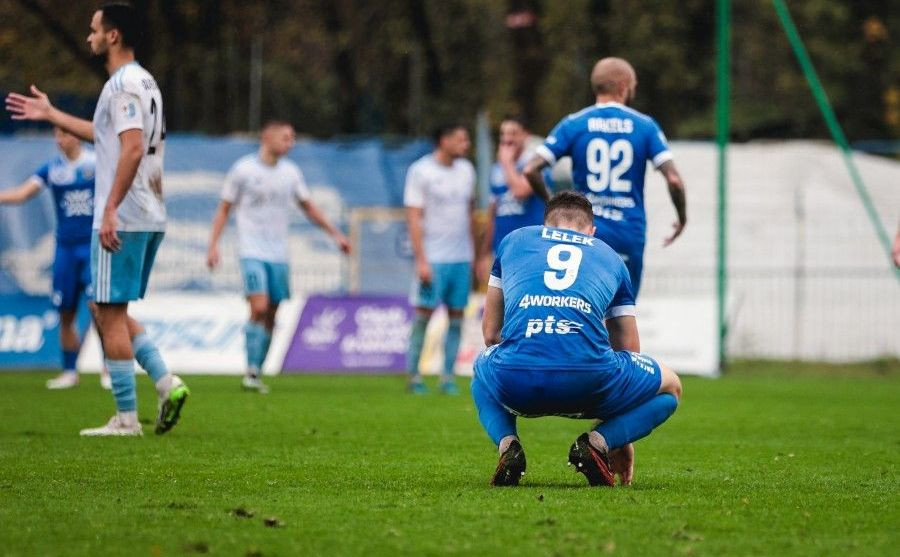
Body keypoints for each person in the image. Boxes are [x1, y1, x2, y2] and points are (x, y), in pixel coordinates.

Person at [6, 3, 189, 436]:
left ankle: (127, 418)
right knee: (105, 307)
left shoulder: (123, 84)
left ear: (114, 35)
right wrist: (51, 114)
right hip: (148, 212)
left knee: (107, 313)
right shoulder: (143, 81)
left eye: (94, 29)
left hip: (124, 214)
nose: (89, 35)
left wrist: (107, 208)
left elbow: (129, 148)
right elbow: (105, 134)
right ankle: (167, 384)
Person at [472, 191, 682, 487]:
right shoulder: (609, 255)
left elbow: (491, 334)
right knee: (671, 388)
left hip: (516, 381)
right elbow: (630, 349)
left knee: (480, 368)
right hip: (588, 383)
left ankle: (508, 445)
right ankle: (599, 443)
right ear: (592, 232)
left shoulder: (514, 241)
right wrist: (621, 435)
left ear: (544, 226)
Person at [207, 120, 351, 394]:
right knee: (258, 308)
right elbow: (224, 209)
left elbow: (309, 207)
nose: (291, 142)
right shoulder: (243, 170)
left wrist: (336, 234)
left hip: (279, 254)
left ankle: (257, 371)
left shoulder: (291, 173)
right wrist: (213, 245)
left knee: (272, 313)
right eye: (286, 137)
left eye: (293, 138)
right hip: (251, 250)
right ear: (267, 137)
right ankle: (250, 370)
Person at [524, 57, 687, 297]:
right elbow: (674, 180)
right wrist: (681, 217)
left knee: (584, 310)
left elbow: (531, 169)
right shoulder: (645, 126)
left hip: (584, 230)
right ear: (623, 86)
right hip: (628, 233)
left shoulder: (574, 123)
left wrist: (554, 206)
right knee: (622, 316)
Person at [0, 127, 111, 390]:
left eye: (65, 134)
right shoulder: (52, 169)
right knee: (65, 312)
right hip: (65, 250)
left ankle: (109, 370)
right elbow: (23, 193)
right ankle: (70, 371)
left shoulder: (96, 163)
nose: (61, 140)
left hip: (92, 247)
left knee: (99, 310)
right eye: (57, 136)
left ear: (77, 135)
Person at [404, 123, 477, 395]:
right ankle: (413, 376)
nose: (465, 145)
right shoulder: (421, 171)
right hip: (433, 258)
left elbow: (470, 215)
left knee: (457, 316)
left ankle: (447, 377)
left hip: (461, 258)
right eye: (461, 139)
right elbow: (413, 217)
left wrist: (476, 256)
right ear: (444, 140)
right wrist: (421, 259)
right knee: (423, 314)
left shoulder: (467, 171)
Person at [476, 116, 548, 284]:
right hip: (502, 250)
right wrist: (483, 254)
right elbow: (493, 213)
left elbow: (521, 191)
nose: (507, 139)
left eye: (513, 133)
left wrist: (507, 163)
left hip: (531, 249)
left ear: (526, 136)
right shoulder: (496, 169)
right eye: (503, 134)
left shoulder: (534, 165)